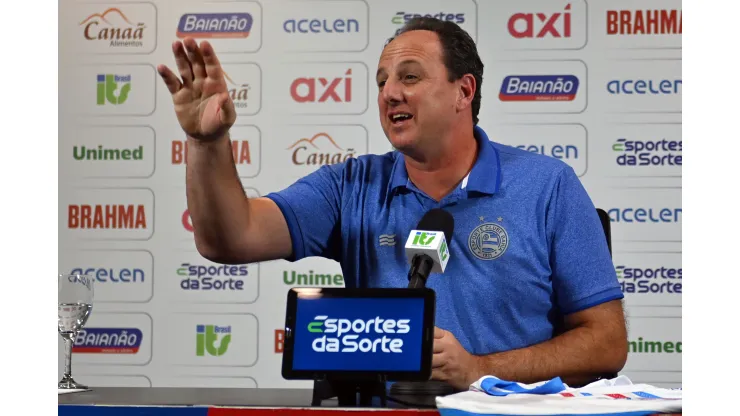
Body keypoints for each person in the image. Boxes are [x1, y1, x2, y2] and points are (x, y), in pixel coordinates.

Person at [157, 17, 628, 391]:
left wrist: (479, 370)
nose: (389, 93)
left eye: (410, 77)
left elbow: (606, 343)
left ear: (464, 91)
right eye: (382, 81)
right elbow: (229, 239)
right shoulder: (351, 185)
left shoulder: (548, 186)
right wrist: (207, 141)